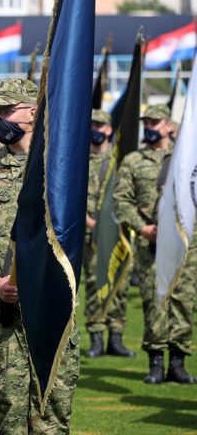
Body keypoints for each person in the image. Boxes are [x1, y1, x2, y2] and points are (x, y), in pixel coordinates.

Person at [0, 78, 79, 433]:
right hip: (0, 311)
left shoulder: (58, 171)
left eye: (8, 111)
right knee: (10, 410)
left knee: (53, 406)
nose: (1, 120)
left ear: (33, 113)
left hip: (51, 308)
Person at [114, 103, 196, 384]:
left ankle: (178, 362)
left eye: (155, 122)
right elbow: (121, 200)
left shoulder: (187, 160)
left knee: (183, 301)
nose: (150, 127)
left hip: (186, 245)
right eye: (146, 122)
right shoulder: (133, 161)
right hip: (152, 245)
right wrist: (142, 228)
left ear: (169, 127)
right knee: (154, 300)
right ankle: (156, 363)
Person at [84, 109, 134, 358]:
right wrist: (90, 222)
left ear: (109, 130)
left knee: (119, 282)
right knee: (93, 284)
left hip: (113, 232)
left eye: (101, 126)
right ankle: (96, 337)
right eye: (93, 125)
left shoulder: (119, 162)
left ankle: (116, 336)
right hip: (85, 233)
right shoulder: (78, 159)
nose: (96, 130)